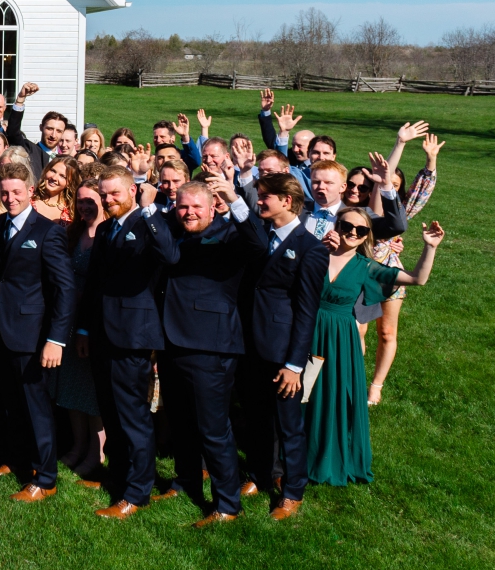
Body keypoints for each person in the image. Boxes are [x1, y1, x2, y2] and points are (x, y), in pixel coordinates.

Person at [307, 211, 445, 485]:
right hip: (309, 329)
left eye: (361, 230)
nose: (353, 233)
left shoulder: (366, 267)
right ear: (338, 226)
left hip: (340, 337)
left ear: (367, 235)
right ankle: (298, 452)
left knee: (334, 393)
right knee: (305, 392)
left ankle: (328, 456)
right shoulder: (314, 252)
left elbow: (417, 279)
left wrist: (429, 247)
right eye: (347, 226)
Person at [220, 171, 327, 521]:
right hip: (248, 345)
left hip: (282, 352)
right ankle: (258, 474)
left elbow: (307, 311)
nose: (259, 201)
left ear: (287, 201)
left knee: (288, 424)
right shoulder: (260, 236)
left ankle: (293, 490)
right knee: (254, 416)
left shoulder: (310, 249)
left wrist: (294, 364)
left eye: (265, 196)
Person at [74, 165, 176, 519]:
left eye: (115, 193)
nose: (108, 200)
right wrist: (85, 329)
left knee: (132, 416)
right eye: (104, 195)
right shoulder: (104, 229)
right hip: (101, 334)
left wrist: (150, 210)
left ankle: (137, 491)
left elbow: (169, 255)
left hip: (133, 335)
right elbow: (95, 283)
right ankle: (116, 478)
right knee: (112, 413)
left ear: (133, 191)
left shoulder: (150, 223)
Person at [157, 180, 252, 526]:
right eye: (183, 206)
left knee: (213, 428)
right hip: (171, 340)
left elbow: (257, 241)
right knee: (180, 419)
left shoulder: (231, 236)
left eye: (197, 206)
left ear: (213, 207)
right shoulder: (174, 228)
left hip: (210, 345)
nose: (190, 212)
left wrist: (235, 200)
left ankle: (227, 504)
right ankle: (185, 480)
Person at [0, 159, 78, 503]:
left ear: (30, 191)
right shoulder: (1, 224)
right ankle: (20, 463)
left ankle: (46, 478)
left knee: (37, 406)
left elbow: (65, 288)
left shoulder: (49, 230)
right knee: (13, 403)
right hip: (3, 329)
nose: (10, 198)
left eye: (16, 192)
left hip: (34, 334)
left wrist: (55, 339)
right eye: (5, 192)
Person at [365, 132, 441, 405]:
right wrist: (398, 146)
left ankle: (376, 385)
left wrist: (430, 161)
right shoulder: (364, 210)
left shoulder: (401, 211)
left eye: (397, 186)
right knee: (357, 332)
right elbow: (380, 188)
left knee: (387, 333)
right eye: (388, 184)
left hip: (391, 277)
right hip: (363, 275)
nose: (392, 188)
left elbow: (421, 192)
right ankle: (349, 377)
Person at [56, 180, 105, 480]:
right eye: (81, 201)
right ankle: (77, 444)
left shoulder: (108, 233)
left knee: (91, 391)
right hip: (69, 319)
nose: (85, 206)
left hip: (94, 321)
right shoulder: (74, 232)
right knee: (70, 384)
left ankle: (96, 452)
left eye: (91, 201)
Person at [32, 156, 78, 222]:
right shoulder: (29, 199)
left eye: (62, 176)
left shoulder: (72, 211)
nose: (54, 178)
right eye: (53, 171)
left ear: (69, 183)